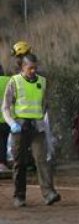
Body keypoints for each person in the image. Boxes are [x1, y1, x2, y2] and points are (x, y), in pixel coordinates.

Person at [2, 53, 59, 207]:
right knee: (19, 163)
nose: (33, 70)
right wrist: (12, 123)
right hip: (19, 128)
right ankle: (19, 197)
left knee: (42, 160)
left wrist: (45, 121)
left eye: (35, 67)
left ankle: (49, 194)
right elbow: (5, 107)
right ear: (23, 67)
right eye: (30, 68)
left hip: (37, 127)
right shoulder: (15, 82)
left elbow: (45, 104)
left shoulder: (42, 82)